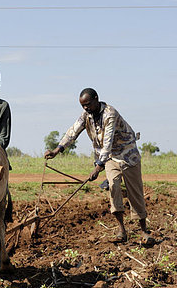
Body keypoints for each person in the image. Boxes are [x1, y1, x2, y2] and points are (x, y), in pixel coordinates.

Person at [44, 88, 153, 244]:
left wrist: (97, 167)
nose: (86, 108)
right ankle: (122, 230)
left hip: (128, 155)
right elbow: (72, 132)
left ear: (96, 99)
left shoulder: (110, 114)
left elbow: (107, 143)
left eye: (88, 104)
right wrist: (57, 150)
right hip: (109, 159)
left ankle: (144, 231)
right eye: (83, 106)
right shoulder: (86, 115)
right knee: (113, 186)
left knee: (135, 192)